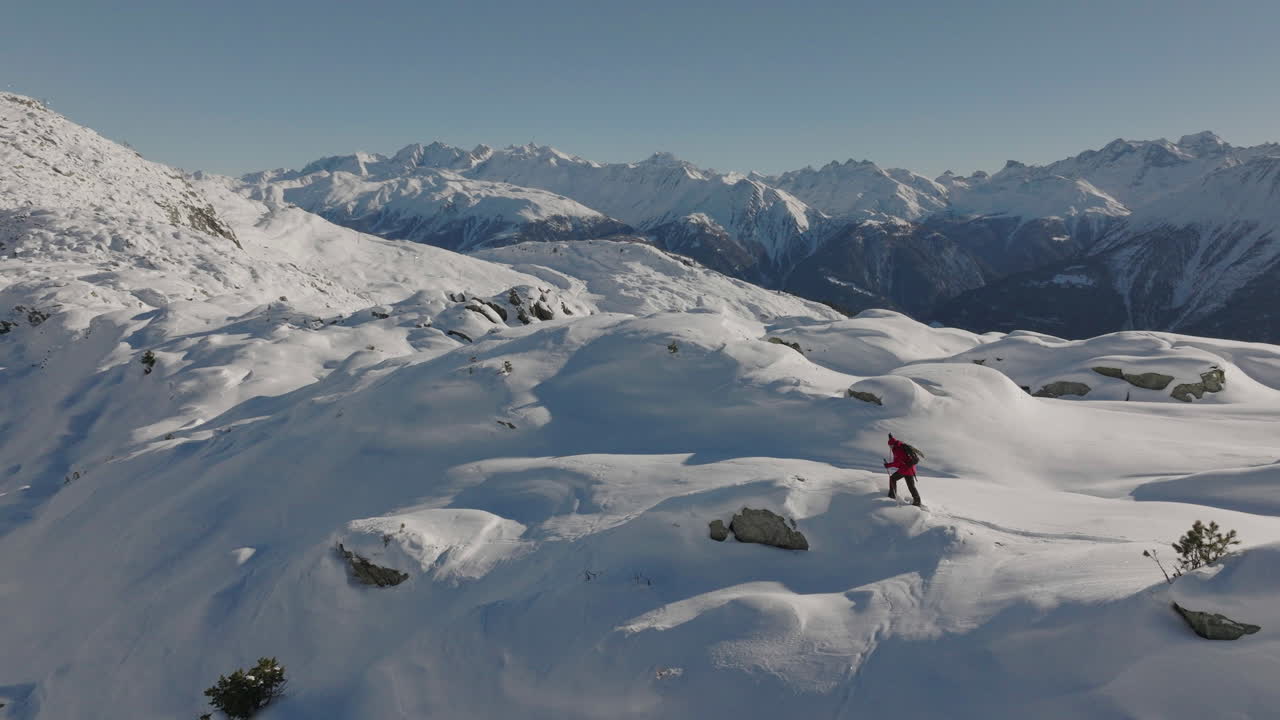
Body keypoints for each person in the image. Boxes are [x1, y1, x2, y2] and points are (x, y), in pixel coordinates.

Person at [883, 433, 922, 506]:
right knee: (911, 486)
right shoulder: (900, 445)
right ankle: (917, 501)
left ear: (892, 444)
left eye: (890, 445)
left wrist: (888, 465)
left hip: (905, 469)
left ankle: (892, 495)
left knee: (893, 478)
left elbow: (898, 463)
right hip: (910, 469)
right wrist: (890, 437)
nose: (890, 447)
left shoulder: (898, 449)